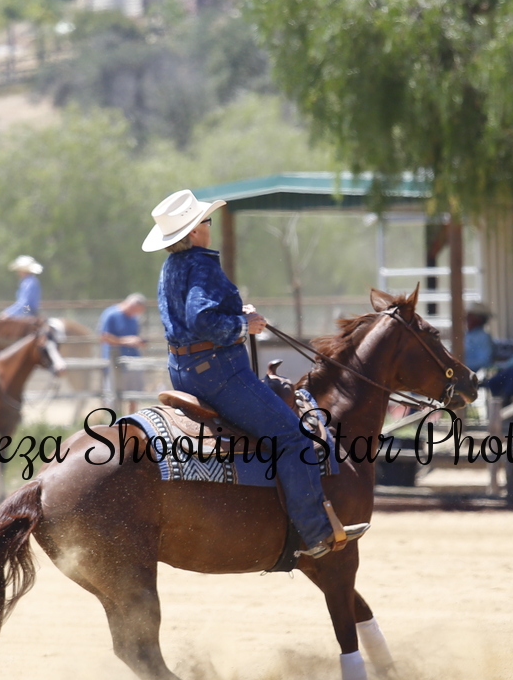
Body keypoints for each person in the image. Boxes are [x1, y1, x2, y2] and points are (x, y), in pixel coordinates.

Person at [147, 188, 366, 561]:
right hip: (219, 372)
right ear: (195, 230)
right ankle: (315, 533)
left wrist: (236, 314)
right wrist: (242, 324)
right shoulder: (202, 263)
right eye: (207, 220)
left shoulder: (172, 266)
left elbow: (189, 317)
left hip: (183, 370)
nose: (210, 225)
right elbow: (201, 319)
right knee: (293, 437)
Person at [98, 293, 147, 397]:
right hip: (114, 362)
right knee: (112, 395)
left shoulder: (134, 318)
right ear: (130, 305)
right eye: (135, 310)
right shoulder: (111, 314)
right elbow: (104, 337)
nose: (135, 313)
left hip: (132, 361)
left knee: (134, 395)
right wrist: (125, 341)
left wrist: (138, 341)